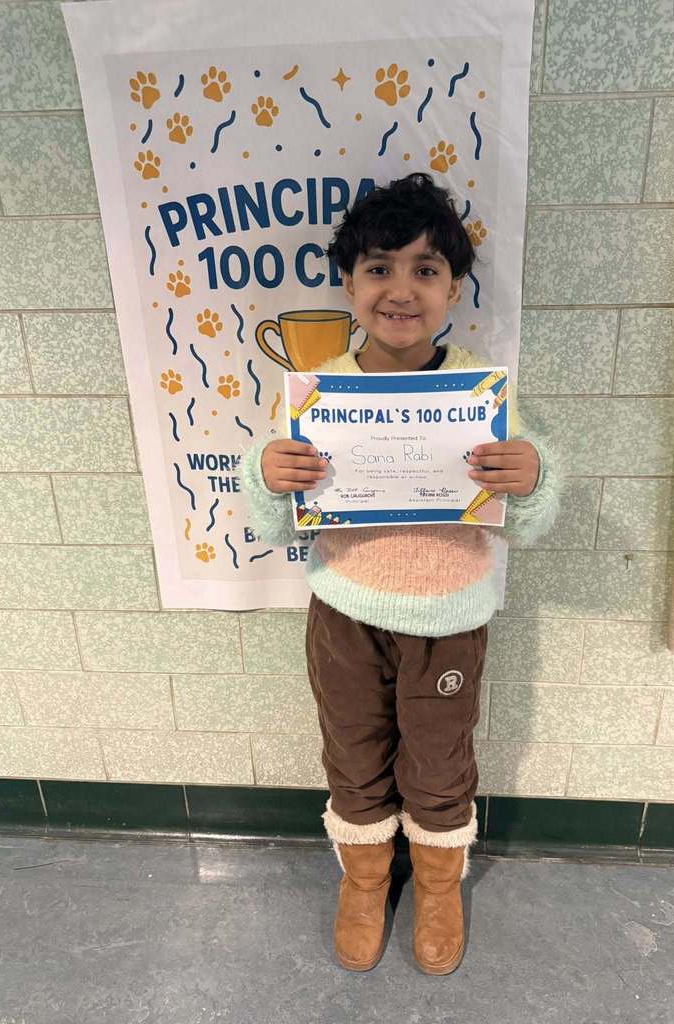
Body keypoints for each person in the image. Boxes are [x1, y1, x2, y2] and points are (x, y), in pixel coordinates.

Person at [241, 172, 561, 975]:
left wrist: (533, 474)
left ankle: (440, 885)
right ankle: (365, 878)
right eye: (379, 267)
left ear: (454, 289)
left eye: (426, 270)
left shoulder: (481, 391)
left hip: (450, 619)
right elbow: (274, 520)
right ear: (348, 284)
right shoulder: (318, 396)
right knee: (352, 750)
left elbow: (525, 516)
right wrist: (265, 473)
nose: (401, 288)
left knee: (440, 759)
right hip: (344, 613)